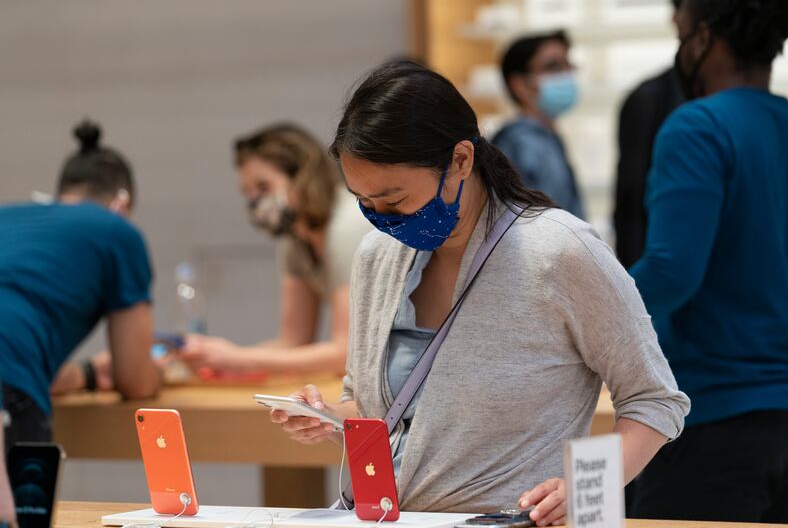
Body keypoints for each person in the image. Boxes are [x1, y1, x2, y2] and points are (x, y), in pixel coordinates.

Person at [271, 60, 689, 520]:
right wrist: (329, 420)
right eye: (365, 203)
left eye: (395, 200)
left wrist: (587, 486)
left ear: (461, 161)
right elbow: (369, 408)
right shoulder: (376, 255)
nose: (383, 219)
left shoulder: (559, 251)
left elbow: (655, 401)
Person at [628, 0, 788, 521]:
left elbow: (673, 271)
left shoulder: (697, 127)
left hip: (716, 410)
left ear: (703, 36)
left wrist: (586, 314)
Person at [0, 120, 162, 452]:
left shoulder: (9, 219)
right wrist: (158, 371)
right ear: (123, 202)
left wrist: (88, 374)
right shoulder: (117, 232)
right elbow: (135, 382)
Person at [178, 123, 371, 377]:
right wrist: (220, 360)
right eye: (247, 192)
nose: (255, 201)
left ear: (303, 178)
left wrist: (237, 359)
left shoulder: (347, 226)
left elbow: (345, 353)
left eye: (263, 187)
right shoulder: (295, 239)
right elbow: (293, 341)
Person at [614, 0, 708, 269]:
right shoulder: (648, 99)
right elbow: (631, 203)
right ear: (678, 19)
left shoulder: (752, 103)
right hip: (664, 273)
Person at [492, 32, 585, 219]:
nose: (566, 73)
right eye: (553, 66)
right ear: (519, 83)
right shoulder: (519, 142)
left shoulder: (546, 137)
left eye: (567, 64)